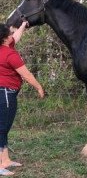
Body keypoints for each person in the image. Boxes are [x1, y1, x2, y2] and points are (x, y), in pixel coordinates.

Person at [0, 21, 44, 176]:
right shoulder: (10, 55)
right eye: (9, 34)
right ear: (5, 39)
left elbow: (16, 36)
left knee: (3, 128)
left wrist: (24, 24)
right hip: (5, 93)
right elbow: (27, 75)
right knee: (2, 128)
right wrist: (39, 87)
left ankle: (5, 160)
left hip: (5, 92)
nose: (13, 35)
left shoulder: (5, 47)